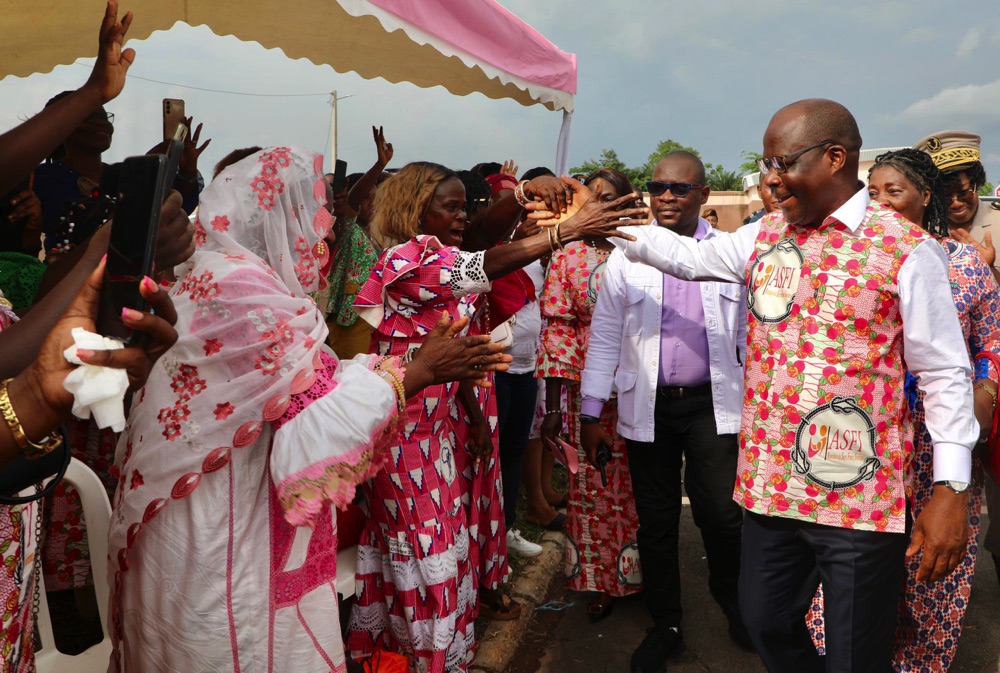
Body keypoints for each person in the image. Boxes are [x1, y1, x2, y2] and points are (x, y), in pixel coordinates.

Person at [591, 99, 978, 673]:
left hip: (857, 503)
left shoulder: (907, 249)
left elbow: (944, 372)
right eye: (767, 164)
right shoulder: (763, 235)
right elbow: (688, 257)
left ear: (836, 158)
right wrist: (599, 222)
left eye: (782, 162)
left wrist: (951, 489)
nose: (770, 177)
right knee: (767, 623)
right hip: (770, 490)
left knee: (853, 655)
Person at [104, 147, 510, 672]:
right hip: (224, 525)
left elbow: (304, 383)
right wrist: (418, 371)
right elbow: (311, 433)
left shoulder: (213, 272)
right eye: (313, 217)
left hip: (188, 509)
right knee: (235, 645)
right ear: (277, 214)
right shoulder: (241, 287)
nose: (321, 240)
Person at [349, 162, 648, 672]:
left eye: (466, 205)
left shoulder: (440, 252)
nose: (464, 216)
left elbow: (451, 347)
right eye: (452, 206)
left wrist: (473, 417)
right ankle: (429, 658)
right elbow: (482, 267)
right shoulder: (406, 259)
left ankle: (422, 654)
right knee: (427, 548)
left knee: (439, 548)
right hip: (403, 435)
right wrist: (567, 232)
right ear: (414, 207)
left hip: (438, 432)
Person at [578, 155, 748, 669]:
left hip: (711, 406)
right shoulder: (625, 257)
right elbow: (605, 336)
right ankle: (665, 621)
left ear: (703, 195)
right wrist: (590, 413)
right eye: (658, 187)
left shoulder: (728, 255)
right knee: (655, 521)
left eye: (679, 188)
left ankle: (734, 600)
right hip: (647, 404)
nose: (667, 197)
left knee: (721, 515)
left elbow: (746, 334)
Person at [863, 149, 999, 671]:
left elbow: (992, 343)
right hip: (868, 446)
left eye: (893, 192)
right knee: (858, 573)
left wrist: (984, 395)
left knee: (931, 572)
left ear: (926, 198)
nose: (880, 203)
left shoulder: (964, 263)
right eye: (871, 193)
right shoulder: (850, 260)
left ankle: (920, 661)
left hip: (938, 450)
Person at [537, 167, 644, 624]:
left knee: (642, 489)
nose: (598, 204)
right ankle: (602, 580)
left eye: (608, 198)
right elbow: (558, 332)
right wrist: (558, 408)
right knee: (593, 488)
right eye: (591, 197)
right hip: (590, 397)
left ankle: (646, 574)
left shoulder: (643, 251)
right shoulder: (568, 256)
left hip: (643, 389)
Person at [914, 131, 1000, 587]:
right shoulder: (919, 236)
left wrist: (991, 271)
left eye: (963, 189)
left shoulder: (998, 224)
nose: (956, 201)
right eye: (945, 192)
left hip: (984, 391)